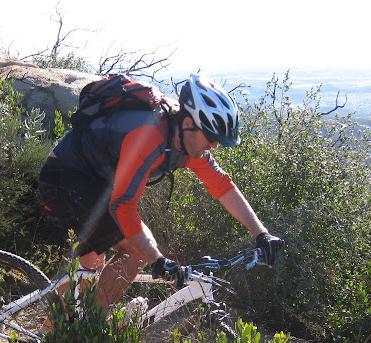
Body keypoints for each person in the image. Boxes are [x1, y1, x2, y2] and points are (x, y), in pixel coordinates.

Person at [38, 73, 282, 316]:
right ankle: (74, 329)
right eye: (211, 136)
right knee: (131, 251)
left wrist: (261, 233)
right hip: (65, 178)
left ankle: (67, 328)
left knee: (98, 257)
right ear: (188, 123)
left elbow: (222, 186)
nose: (214, 146)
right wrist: (158, 260)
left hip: (96, 183)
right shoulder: (148, 135)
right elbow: (123, 207)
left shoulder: (186, 142)